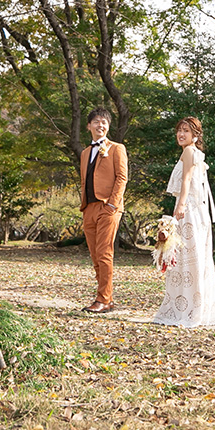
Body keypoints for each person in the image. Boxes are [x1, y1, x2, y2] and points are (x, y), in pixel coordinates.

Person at [152, 116, 215, 327]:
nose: (181, 134)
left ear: (195, 136)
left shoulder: (190, 152)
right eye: (179, 130)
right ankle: (191, 306)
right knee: (188, 258)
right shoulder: (191, 153)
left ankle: (190, 309)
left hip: (189, 210)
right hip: (194, 210)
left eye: (186, 131)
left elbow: (187, 181)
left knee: (188, 258)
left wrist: (180, 206)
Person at [78, 107, 128, 314]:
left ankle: (103, 299)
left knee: (104, 253)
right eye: (96, 121)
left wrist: (112, 205)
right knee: (94, 255)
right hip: (88, 207)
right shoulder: (84, 153)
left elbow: (122, 178)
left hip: (108, 207)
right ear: (89, 126)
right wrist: (84, 206)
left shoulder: (117, 148)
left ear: (108, 127)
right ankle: (106, 297)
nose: (101, 125)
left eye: (104, 122)